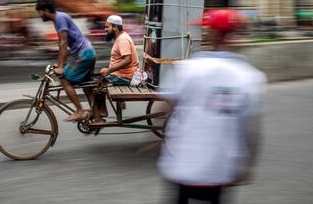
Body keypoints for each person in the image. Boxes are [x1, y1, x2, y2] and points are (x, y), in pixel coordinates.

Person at [158, 10, 266, 204]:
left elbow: (163, 111)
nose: (205, 33)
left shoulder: (187, 69)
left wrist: (162, 143)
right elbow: (252, 131)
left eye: (208, 30)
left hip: (183, 165)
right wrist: (247, 165)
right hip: (221, 169)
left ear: (215, 34)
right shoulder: (250, 77)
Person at [35, 0, 96, 122]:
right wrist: (59, 64)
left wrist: (61, 67)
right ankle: (97, 114)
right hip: (87, 52)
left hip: (84, 54)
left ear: (46, 10)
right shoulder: (58, 19)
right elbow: (62, 45)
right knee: (86, 86)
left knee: (65, 79)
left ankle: (80, 111)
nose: (39, 15)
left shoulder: (59, 18)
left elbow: (63, 43)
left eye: (40, 12)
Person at [92, 15, 139, 123]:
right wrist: (108, 70)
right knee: (100, 74)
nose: (105, 30)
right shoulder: (120, 38)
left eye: (107, 27)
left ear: (115, 28)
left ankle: (102, 111)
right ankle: (108, 107)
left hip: (127, 76)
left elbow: (127, 60)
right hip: (122, 73)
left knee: (96, 84)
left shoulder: (122, 40)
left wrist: (109, 71)